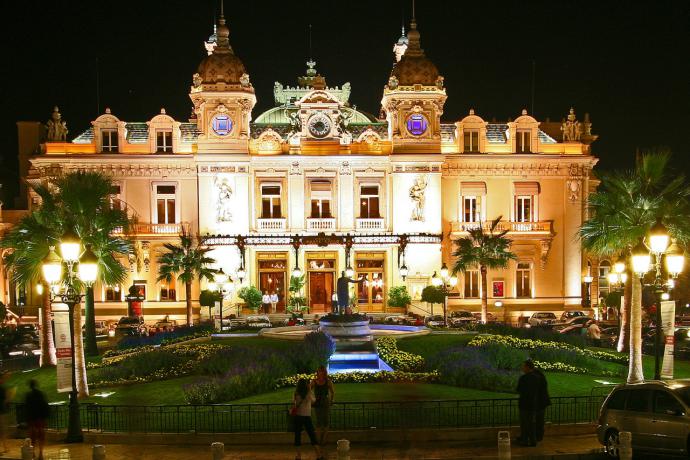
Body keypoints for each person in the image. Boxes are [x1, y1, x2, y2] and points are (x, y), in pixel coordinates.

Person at [292, 378, 323, 460]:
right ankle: (318, 455)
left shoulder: (296, 393)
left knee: (297, 435)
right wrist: (309, 390)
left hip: (298, 416)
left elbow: (294, 403)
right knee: (312, 435)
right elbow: (313, 401)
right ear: (306, 385)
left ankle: (298, 456)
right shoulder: (309, 393)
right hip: (306, 416)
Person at [516, 359, 539, 447]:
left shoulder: (523, 378)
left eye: (524, 366)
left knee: (524, 423)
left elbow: (518, 389)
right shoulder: (537, 378)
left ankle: (525, 440)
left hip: (524, 404)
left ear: (527, 367)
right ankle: (533, 440)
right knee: (532, 423)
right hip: (533, 404)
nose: (522, 368)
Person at [25, 379, 49, 460]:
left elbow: (26, 408)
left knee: (33, 437)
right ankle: (41, 453)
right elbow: (45, 406)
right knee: (41, 436)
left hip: (32, 419)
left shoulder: (28, 395)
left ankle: (33, 452)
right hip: (40, 419)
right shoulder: (40, 394)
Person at [311, 365, 335, 446]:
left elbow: (332, 392)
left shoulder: (328, 381)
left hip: (325, 403)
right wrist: (311, 400)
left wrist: (331, 400)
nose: (320, 373)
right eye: (319, 371)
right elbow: (308, 390)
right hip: (317, 403)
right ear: (317, 372)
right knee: (318, 421)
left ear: (324, 372)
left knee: (325, 421)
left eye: (322, 371)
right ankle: (318, 439)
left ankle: (324, 439)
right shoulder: (314, 381)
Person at [533, 364, 551, 443]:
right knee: (539, 420)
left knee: (538, 420)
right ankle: (538, 435)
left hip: (540, 403)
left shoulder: (537, 378)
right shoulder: (541, 377)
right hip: (542, 402)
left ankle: (538, 436)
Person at [0, 372, 10, 454]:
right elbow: (6, 400)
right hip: (1, 412)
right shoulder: (2, 389)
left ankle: (5, 447)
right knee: (3, 431)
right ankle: (5, 447)